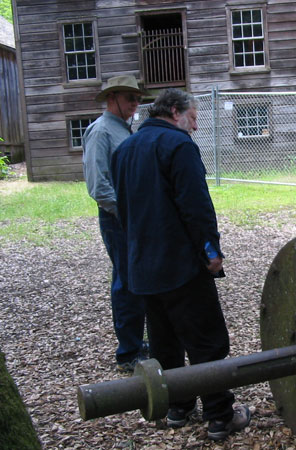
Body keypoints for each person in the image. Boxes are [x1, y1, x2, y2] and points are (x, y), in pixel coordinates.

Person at [110, 88, 251, 438]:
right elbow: (196, 207)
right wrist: (210, 252)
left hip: (142, 266)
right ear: (175, 111)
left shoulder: (125, 149)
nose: (195, 127)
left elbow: (122, 210)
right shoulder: (178, 146)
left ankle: (178, 407)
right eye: (193, 118)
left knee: (164, 342)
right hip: (180, 265)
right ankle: (220, 417)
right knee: (207, 341)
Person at [82, 75, 147, 373]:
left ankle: (136, 343)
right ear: (112, 98)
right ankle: (129, 352)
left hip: (132, 217)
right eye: (129, 98)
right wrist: (126, 214)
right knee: (126, 283)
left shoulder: (123, 129)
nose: (135, 104)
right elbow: (99, 187)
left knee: (137, 280)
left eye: (136, 98)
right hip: (118, 220)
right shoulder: (101, 131)